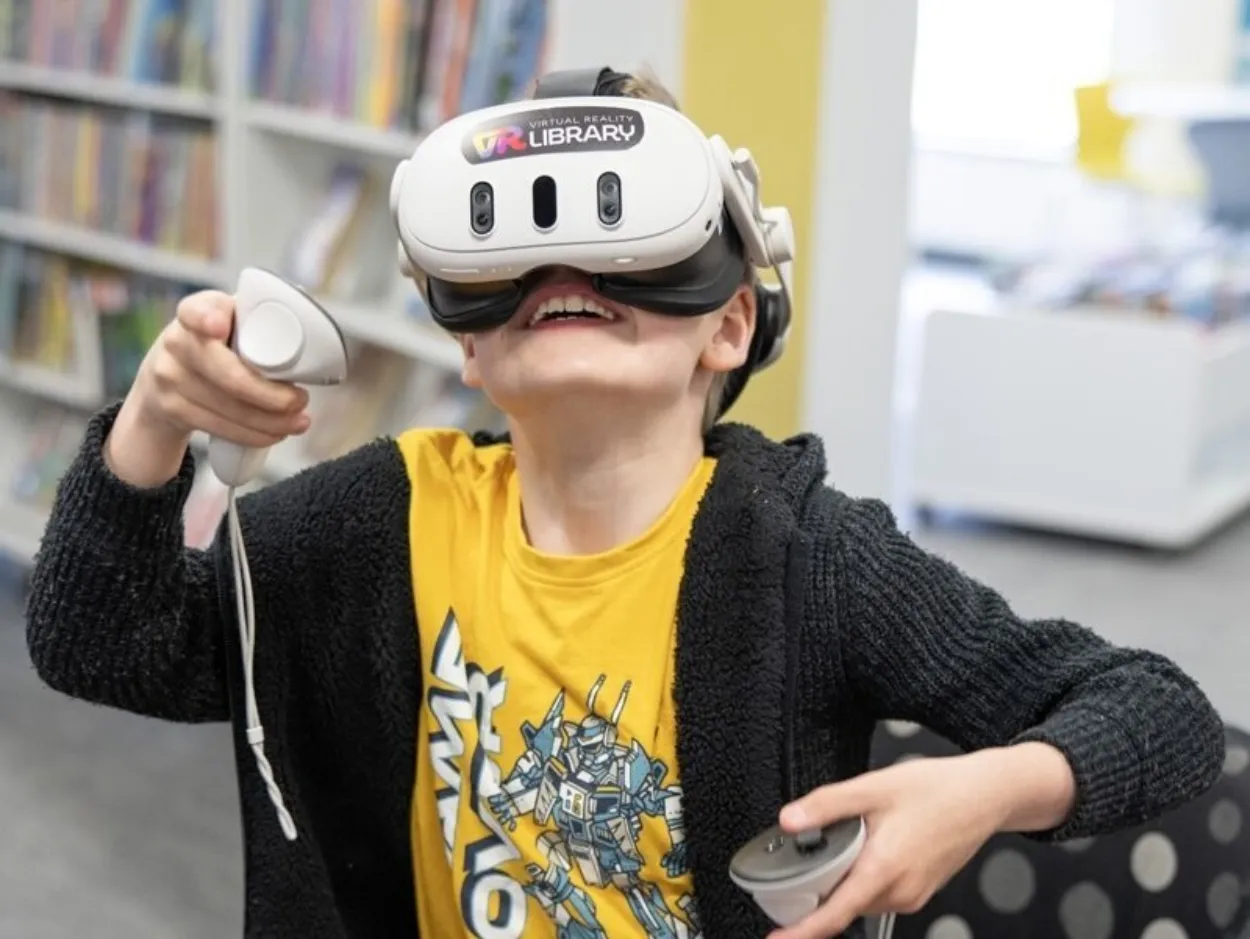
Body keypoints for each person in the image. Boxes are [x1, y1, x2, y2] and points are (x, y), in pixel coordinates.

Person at [26, 66, 1224, 939]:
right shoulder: (379, 522)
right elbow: (98, 646)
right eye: (517, 258)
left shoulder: (808, 559)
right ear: (473, 355)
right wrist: (152, 426)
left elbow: (1155, 709)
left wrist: (984, 789)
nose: (567, 273)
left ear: (730, 324)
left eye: (624, 240)